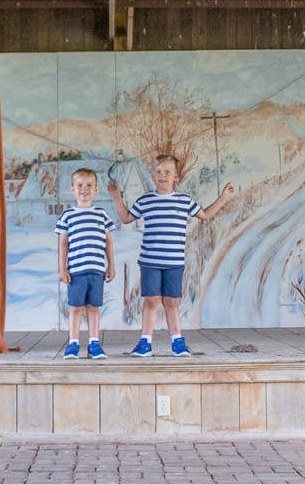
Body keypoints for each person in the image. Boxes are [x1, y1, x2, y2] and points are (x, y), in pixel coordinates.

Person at [107, 153, 234, 357]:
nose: (162, 175)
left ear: (176, 177)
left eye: (167, 172)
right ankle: (145, 343)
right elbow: (127, 218)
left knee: (171, 301)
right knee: (151, 301)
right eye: (158, 172)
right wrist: (116, 198)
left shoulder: (183, 201)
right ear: (153, 176)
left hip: (174, 262)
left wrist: (224, 198)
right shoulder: (146, 200)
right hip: (150, 261)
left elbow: (205, 215)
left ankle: (177, 342)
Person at [55, 167, 116, 360]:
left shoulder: (101, 214)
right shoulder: (68, 215)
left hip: (96, 270)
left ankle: (94, 344)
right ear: (73, 189)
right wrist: (62, 268)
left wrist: (111, 266)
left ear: (96, 189)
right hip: (76, 271)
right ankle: (73, 343)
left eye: (89, 185)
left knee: (93, 307)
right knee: (75, 307)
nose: (84, 189)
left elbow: (108, 242)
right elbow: (63, 243)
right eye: (80, 185)